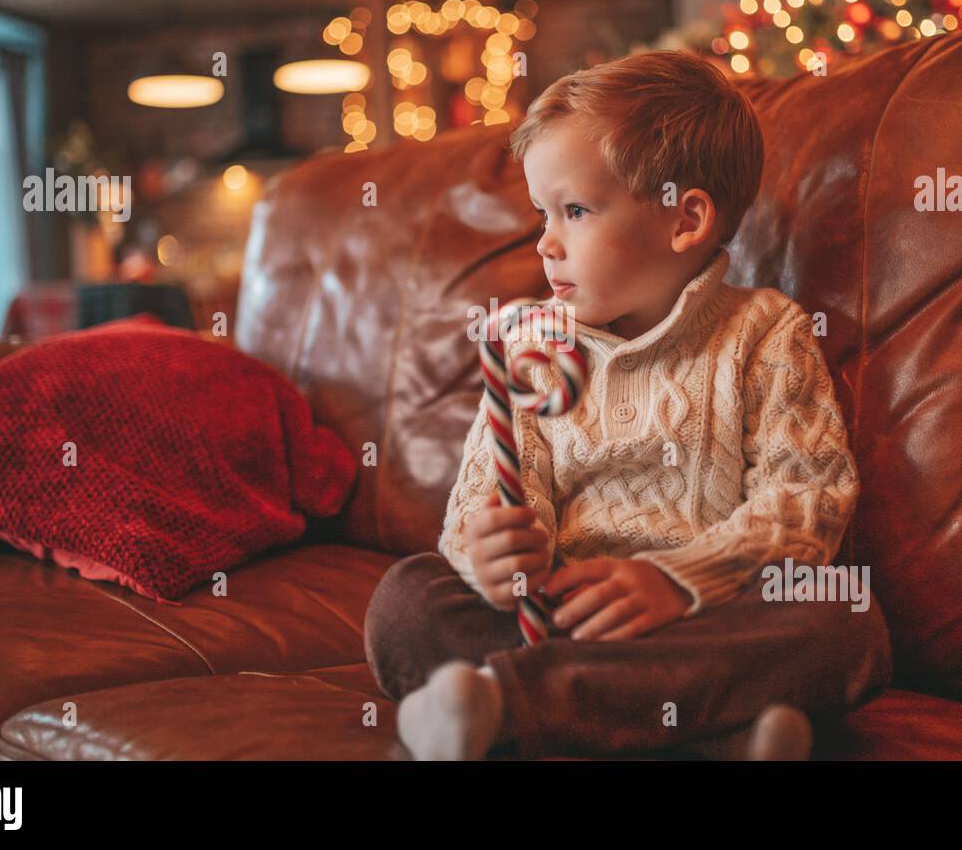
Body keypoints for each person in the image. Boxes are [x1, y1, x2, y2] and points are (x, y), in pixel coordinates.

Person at [363, 49, 893, 760]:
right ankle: (714, 740)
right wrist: (489, 556)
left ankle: (516, 711)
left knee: (846, 613)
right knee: (406, 601)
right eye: (541, 214)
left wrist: (680, 582)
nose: (546, 243)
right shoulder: (534, 348)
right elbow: (485, 496)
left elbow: (808, 500)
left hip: (705, 621)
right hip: (555, 618)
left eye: (575, 211)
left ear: (685, 220)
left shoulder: (765, 333)